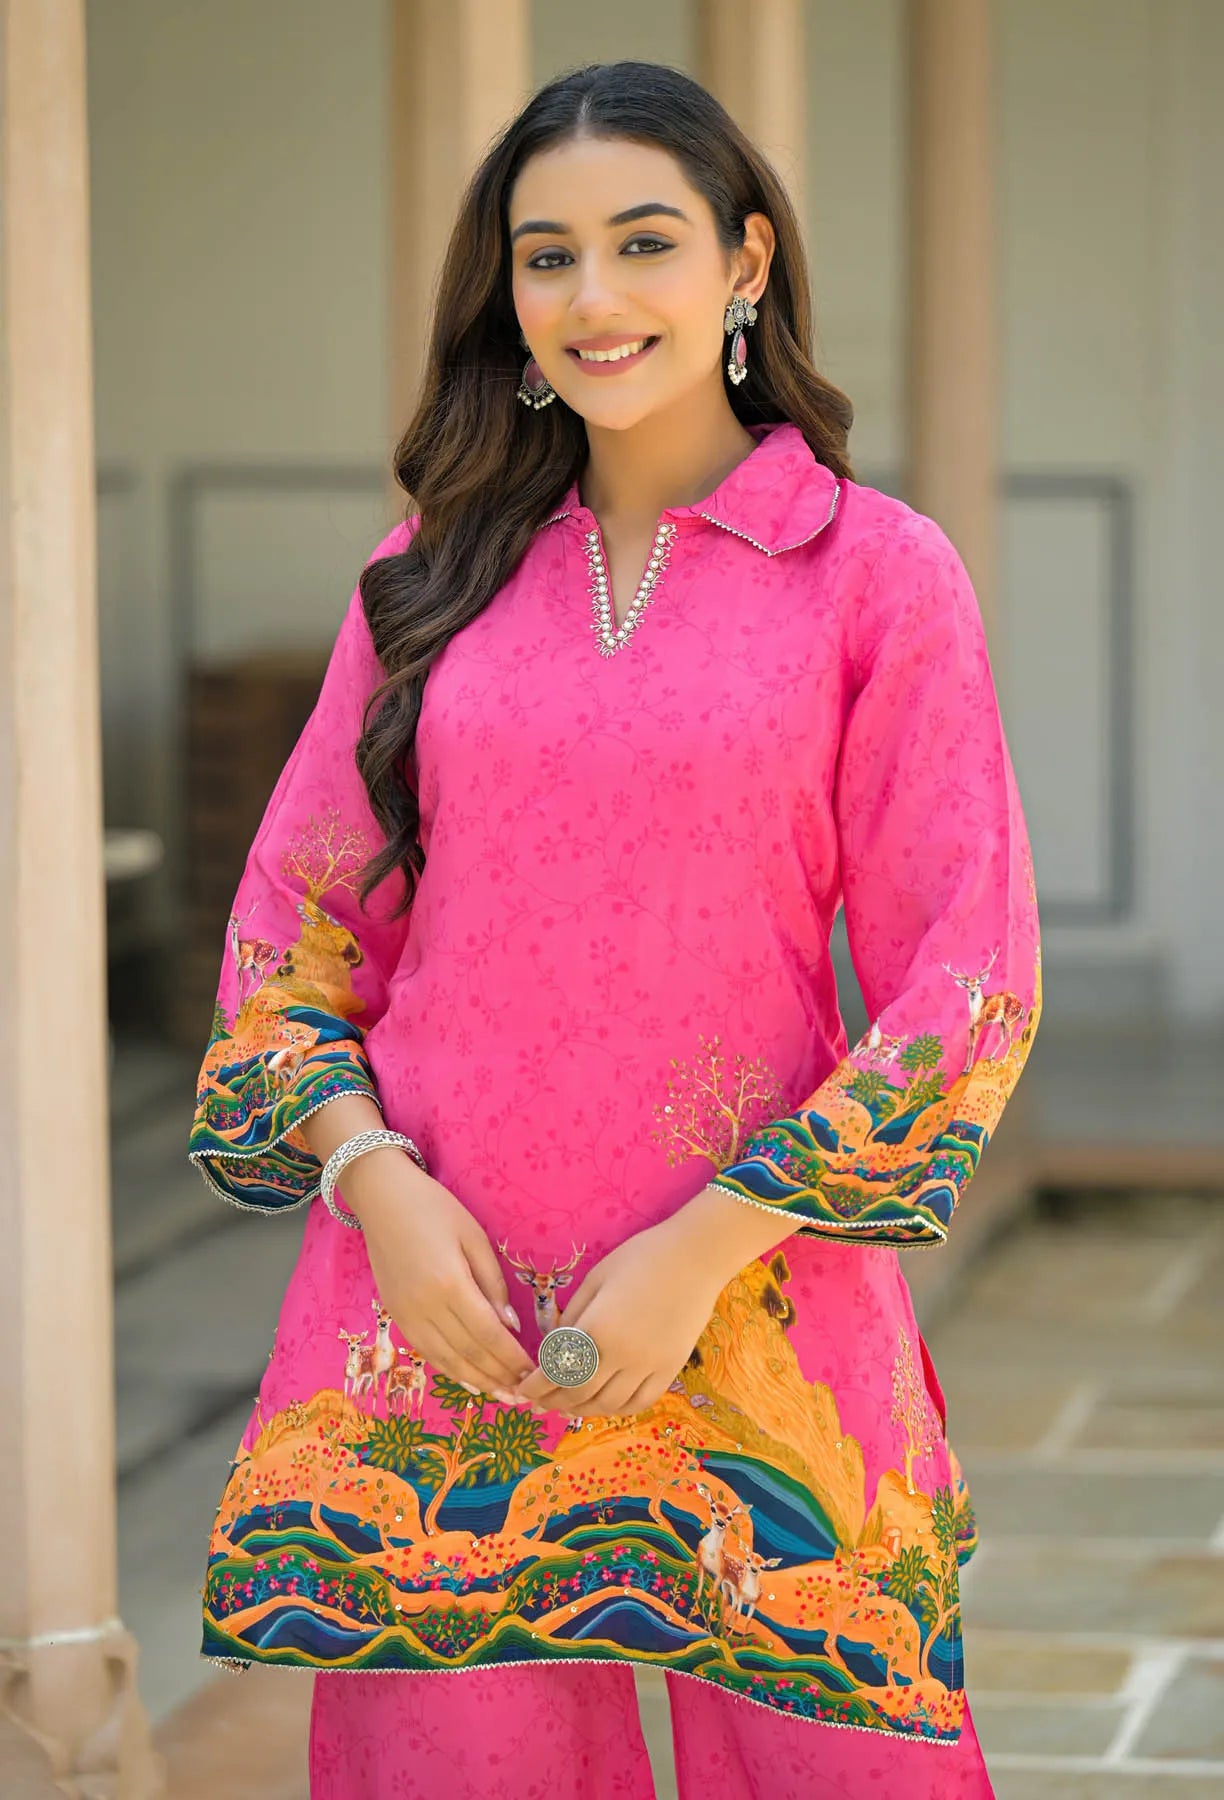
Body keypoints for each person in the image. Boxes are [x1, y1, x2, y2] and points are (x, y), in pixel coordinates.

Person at [187, 59, 1039, 1800]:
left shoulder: (871, 572)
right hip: (433, 1324)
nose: (590, 298)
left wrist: (709, 1246)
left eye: (641, 243)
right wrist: (377, 1188)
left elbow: (969, 982)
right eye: (545, 255)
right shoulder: (428, 574)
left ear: (743, 264)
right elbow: (291, 946)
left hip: (757, 1310)